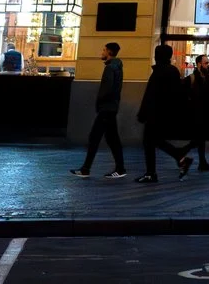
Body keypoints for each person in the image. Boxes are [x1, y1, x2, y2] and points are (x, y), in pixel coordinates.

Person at [135, 43, 190, 182]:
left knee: (149, 141)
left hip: (155, 113)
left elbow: (150, 95)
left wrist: (143, 113)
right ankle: (179, 156)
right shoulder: (173, 71)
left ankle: (151, 172)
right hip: (165, 113)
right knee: (156, 140)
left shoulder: (159, 72)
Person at [73, 41, 126, 178]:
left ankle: (86, 169)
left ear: (109, 52)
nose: (102, 52)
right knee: (112, 139)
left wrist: (99, 102)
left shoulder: (110, 68)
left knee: (94, 137)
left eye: (103, 50)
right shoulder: (118, 67)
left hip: (106, 108)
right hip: (112, 107)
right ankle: (120, 169)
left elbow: (106, 90)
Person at [182, 54, 209, 173]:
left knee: (200, 138)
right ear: (199, 64)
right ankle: (182, 153)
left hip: (202, 111)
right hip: (195, 112)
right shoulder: (192, 78)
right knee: (199, 138)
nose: (208, 65)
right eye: (206, 63)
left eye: (208, 63)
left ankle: (201, 161)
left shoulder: (205, 77)